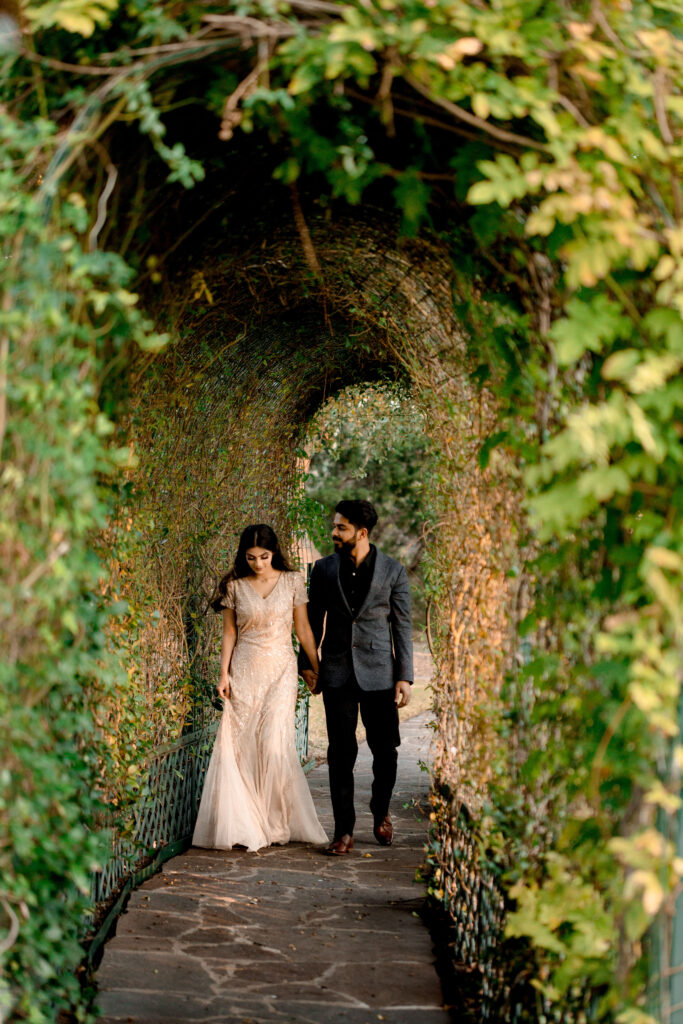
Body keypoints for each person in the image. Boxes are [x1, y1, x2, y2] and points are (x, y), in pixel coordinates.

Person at [193, 524, 328, 852]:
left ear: (274, 553)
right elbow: (229, 633)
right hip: (245, 670)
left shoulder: (293, 581)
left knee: (272, 743)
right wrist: (223, 674)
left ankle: (275, 822)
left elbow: (304, 630)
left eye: (264, 557)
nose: (257, 563)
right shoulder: (235, 587)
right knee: (245, 746)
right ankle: (248, 823)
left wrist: (317, 665)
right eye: (250, 557)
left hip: (281, 671)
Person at [299, 499, 413, 856]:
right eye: (334, 526)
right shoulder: (322, 570)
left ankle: (380, 811)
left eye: (340, 527)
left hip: (381, 673)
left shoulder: (394, 572)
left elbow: (402, 627)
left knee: (386, 752)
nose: (333, 532)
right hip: (337, 673)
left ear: (361, 533)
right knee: (341, 752)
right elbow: (312, 622)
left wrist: (405, 676)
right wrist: (307, 663)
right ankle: (343, 831)